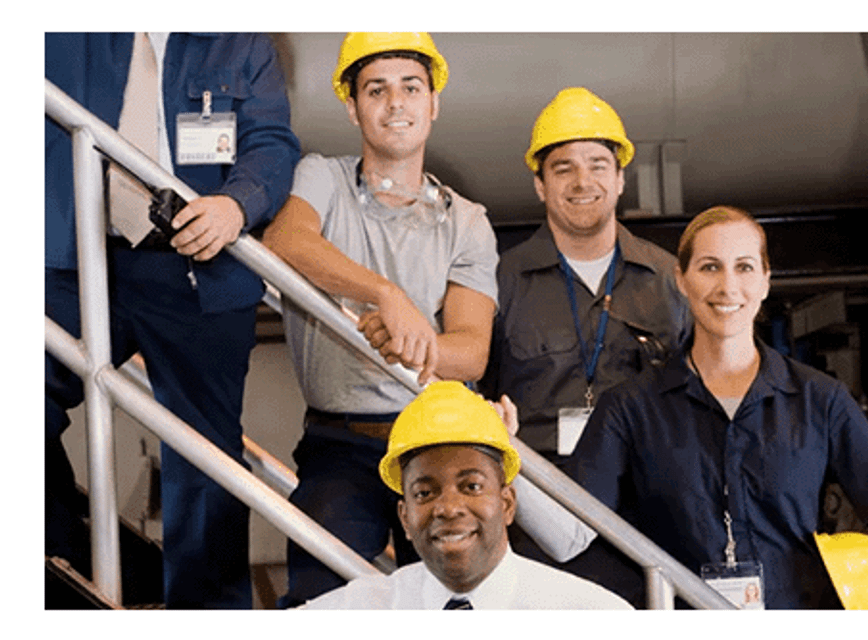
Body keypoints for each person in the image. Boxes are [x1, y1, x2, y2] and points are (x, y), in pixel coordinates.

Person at [44, 32, 301, 608]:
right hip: (74, 258)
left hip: (194, 268)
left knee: (204, 459)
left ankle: (203, 608)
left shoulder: (240, 43)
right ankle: (64, 563)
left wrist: (236, 204)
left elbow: (272, 143)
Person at [555, 206, 868, 609]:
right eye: (710, 267)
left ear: (765, 281)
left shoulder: (820, 398)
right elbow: (569, 536)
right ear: (682, 280)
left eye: (744, 267)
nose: (728, 287)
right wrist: (505, 449)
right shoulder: (629, 407)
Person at [262, 33, 499, 607]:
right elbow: (285, 239)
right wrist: (386, 296)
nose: (396, 102)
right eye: (377, 89)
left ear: (433, 102)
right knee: (320, 593)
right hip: (339, 443)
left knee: (456, 597)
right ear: (353, 106)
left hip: (438, 443)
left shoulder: (466, 221)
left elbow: (470, 351)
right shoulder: (322, 178)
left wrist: (412, 342)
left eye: (411, 87)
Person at [478, 86, 689, 606]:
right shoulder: (499, 279)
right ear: (540, 184)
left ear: (620, 180)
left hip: (648, 505)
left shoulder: (669, 279)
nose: (582, 181)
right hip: (538, 510)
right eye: (563, 167)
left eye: (598, 164)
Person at [299, 381, 634, 610]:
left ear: (506, 504)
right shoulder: (359, 607)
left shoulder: (588, 609)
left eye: (471, 486)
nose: (447, 508)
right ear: (405, 516)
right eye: (425, 492)